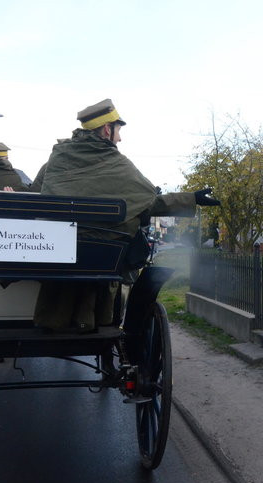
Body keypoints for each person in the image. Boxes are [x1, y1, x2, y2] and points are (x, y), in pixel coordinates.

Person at [32, 98, 219, 332]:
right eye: (118, 131)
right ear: (107, 129)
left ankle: (57, 317)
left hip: (54, 251)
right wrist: (191, 198)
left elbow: (35, 195)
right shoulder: (116, 163)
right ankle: (96, 317)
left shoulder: (57, 158)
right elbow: (148, 203)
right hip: (101, 254)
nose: (119, 138)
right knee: (118, 251)